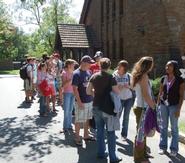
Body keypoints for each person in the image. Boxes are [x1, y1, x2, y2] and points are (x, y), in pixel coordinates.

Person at [86, 58, 122, 163]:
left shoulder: (94, 76)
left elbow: (88, 91)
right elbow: (117, 92)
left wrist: (95, 93)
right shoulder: (111, 77)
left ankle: (101, 153)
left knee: (99, 131)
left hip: (96, 106)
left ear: (99, 65)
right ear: (109, 66)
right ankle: (113, 157)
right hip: (108, 108)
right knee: (110, 132)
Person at [158, 60, 185, 157]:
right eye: (166, 66)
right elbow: (160, 93)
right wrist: (158, 105)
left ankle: (174, 149)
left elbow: (182, 96)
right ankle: (163, 147)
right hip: (163, 105)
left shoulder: (180, 80)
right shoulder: (163, 78)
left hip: (174, 106)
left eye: (169, 66)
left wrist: (178, 109)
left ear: (174, 67)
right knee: (163, 127)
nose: (167, 68)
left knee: (174, 128)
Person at [131, 56, 156, 163]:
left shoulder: (137, 75)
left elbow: (134, 89)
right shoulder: (144, 76)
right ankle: (138, 158)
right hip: (143, 108)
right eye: (152, 64)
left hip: (140, 106)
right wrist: (154, 107)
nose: (153, 66)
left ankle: (143, 154)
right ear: (148, 65)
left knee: (143, 132)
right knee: (140, 133)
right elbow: (146, 95)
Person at [72, 55, 95, 146]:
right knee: (79, 120)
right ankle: (77, 137)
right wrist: (79, 102)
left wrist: (93, 95)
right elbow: (74, 89)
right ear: (84, 63)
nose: (90, 65)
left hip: (89, 100)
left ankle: (86, 135)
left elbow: (90, 86)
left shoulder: (89, 72)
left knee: (87, 118)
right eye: (89, 63)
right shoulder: (76, 73)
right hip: (81, 101)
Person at [113, 60, 134, 140]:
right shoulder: (114, 75)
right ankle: (113, 133)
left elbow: (133, 87)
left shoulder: (129, 76)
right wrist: (118, 87)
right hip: (119, 99)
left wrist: (128, 86)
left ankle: (124, 134)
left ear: (124, 68)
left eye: (121, 66)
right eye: (119, 65)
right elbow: (112, 87)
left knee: (126, 117)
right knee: (117, 116)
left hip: (128, 98)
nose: (119, 67)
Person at [61, 59, 76, 132]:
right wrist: (70, 80)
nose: (74, 66)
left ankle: (69, 125)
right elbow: (63, 85)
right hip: (67, 93)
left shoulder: (74, 73)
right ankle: (65, 126)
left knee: (70, 110)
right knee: (66, 110)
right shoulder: (64, 73)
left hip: (73, 93)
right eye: (73, 64)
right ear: (69, 65)